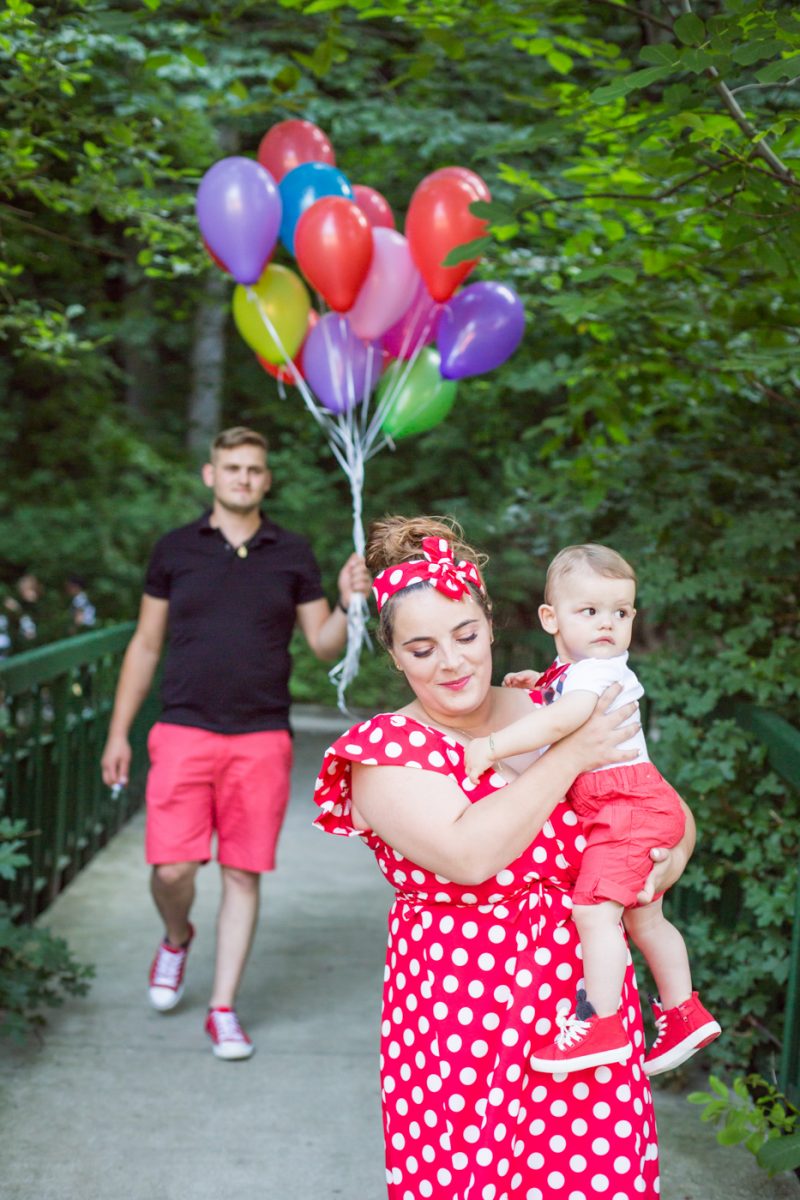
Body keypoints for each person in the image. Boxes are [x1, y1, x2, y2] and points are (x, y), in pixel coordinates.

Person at [312, 515, 695, 1200]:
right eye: (422, 648)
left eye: (465, 636)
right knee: (469, 1179)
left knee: (593, 1176)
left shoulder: (548, 703)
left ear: (491, 624)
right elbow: (470, 855)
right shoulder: (383, 751)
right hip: (461, 1013)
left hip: (579, 1007)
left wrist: (666, 858)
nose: (452, 662)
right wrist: (572, 754)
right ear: (395, 655)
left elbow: (658, 806)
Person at [101, 426, 370, 1061]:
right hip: (184, 727)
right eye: (232, 468)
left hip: (261, 736)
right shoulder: (174, 550)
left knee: (242, 874)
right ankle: (175, 938)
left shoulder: (292, 552)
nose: (243, 478)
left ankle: (222, 1008)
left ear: (266, 479)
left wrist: (350, 600)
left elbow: (324, 644)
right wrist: (118, 731)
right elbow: (145, 644)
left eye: (254, 468)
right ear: (210, 475)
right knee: (171, 868)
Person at [464, 543, 720, 1077]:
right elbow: (565, 707)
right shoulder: (576, 672)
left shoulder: (597, 672)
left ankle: (603, 1023)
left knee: (593, 912)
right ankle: (684, 1011)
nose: (608, 624)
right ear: (551, 619)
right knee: (646, 918)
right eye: (591, 611)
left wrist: (491, 747)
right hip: (636, 806)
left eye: (620, 612)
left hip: (624, 809)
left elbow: (565, 722)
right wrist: (538, 684)